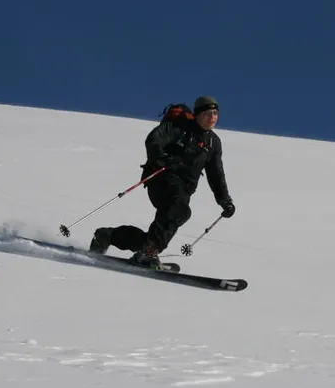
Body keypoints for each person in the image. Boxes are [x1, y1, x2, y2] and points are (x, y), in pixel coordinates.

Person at [89, 96, 236, 267]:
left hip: (183, 189)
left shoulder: (213, 143)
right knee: (180, 209)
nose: (212, 118)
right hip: (160, 178)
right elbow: (153, 140)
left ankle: (109, 237)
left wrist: (225, 201)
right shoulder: (179, 127)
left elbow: (216, 174)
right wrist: (164, 159)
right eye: (208, 113)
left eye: (215, 113)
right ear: (197, 114)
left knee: (166, 224)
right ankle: (148, 251)